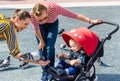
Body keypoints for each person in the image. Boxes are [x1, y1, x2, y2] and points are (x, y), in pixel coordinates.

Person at [30, 1, 102, 81]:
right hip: (40, 29)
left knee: (49, 48)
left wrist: (90, 20)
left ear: (47, 11)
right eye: (40, 20)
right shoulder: (32, 14)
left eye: (45, 18)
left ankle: (50, 70)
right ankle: (45, 71)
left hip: (52, 24)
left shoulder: (54, 8)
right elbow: (36, 28)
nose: (43, 21)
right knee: (42, 48)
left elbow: (73, 15)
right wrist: (41, 41)